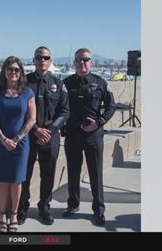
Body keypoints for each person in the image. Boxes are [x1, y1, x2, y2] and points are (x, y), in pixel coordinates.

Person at [62, 48, 116, 225]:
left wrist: (99, 122)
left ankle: (99, 210)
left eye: (86, 60)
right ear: (74, 63)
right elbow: (59, 108)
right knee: (73, 171)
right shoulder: (66, 83)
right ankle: (73, 204)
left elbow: (111, 106)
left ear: (91, 62)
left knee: (95, 173)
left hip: (93, 135)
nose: (82, 63)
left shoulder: (100, 83)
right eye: (79, 60)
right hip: (72, 134)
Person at [18, 46, 69, 226]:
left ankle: (44, 206)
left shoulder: (58, 83)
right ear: (33, 60)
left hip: (50, 136)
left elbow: (64, 111)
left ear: (50, 61)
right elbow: (20, 111)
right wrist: (35, 129)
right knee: (25, 173)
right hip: (29, 135)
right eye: (39, 57)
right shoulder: (24, 83)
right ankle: (22, 206)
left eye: (46, 58)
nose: (42, 61)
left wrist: (50, 131)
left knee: (48, 174)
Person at [0, 56, 36, 232]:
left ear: (21, 72)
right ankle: (2, 215)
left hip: (21, 144)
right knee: (2, 181)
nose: (13, 72)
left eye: (16, 69)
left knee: (16, 182)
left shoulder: (28, 93)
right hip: (1, 143)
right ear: (4, 72)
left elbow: (32, 120)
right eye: (10, 69)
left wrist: (16, 140)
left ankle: (14, 215)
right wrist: (3, 139)